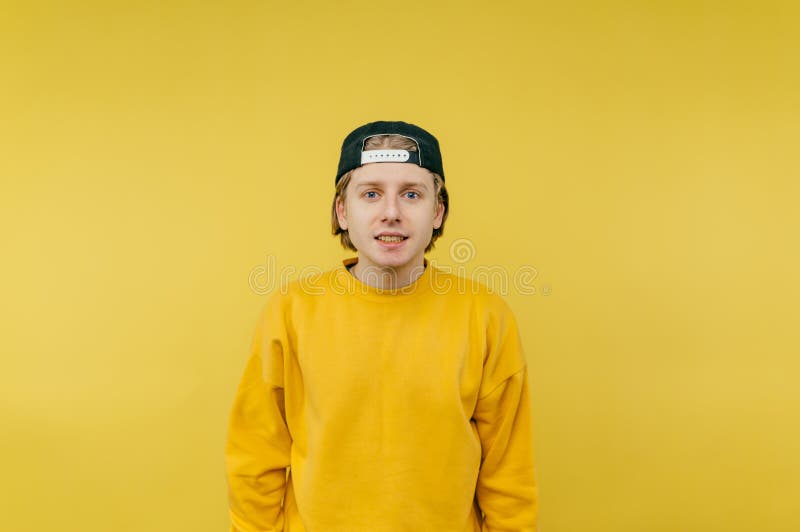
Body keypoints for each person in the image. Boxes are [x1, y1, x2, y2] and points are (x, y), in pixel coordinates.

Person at [225, 120, 539, 531]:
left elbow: (508, 474)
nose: (391, 213)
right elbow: (255, 459)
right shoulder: (291, 313)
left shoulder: (485, 317)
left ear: (437, 211)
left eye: (411, 194)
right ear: (343, 210)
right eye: (371, 194)